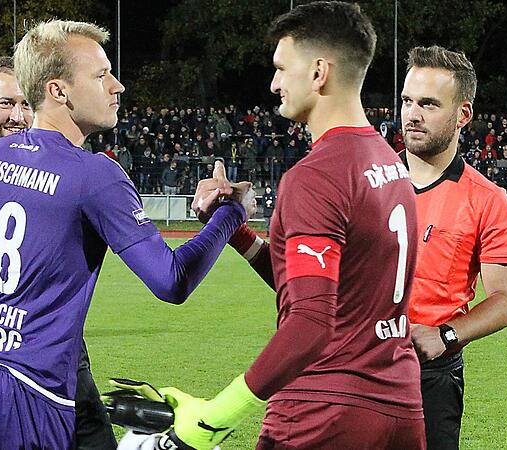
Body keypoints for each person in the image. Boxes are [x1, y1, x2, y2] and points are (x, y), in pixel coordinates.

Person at [0, 20, 255, 449]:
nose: (118, 86)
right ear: (58, 91)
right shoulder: (94, 174)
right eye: (101, 74)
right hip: (28, 394)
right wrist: (232, 213)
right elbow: (171, 281)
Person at [162, 3, 425, 449]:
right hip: (400, 406)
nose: (274, 83)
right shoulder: (389, 163)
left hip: (322, 411)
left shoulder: (316, 174)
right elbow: (321, 290)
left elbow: (310, 320)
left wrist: (216, 415)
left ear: (319, 72)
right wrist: (237, 231)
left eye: (282, 68)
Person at [399, 45, 507, 450]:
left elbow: (505, 299)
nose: (412, 114)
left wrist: (447, 335)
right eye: (407, 101)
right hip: (355, 363)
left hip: (430, 374)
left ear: (463, 115)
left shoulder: (487, 201)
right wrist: (235, 226)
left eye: (429, 104)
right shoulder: (367, 179)